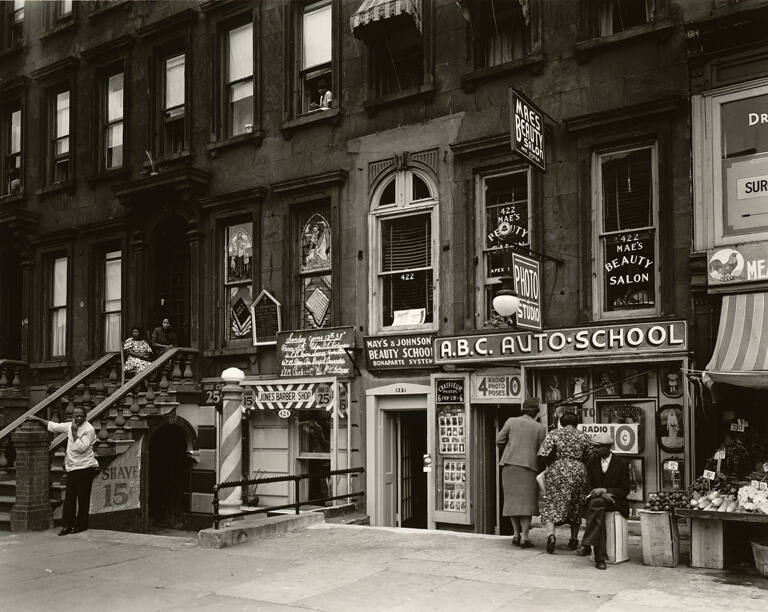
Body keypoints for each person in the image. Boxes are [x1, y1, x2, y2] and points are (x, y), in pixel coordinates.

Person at [27, 407, 99, 535]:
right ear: (73, 416)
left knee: (83, 499)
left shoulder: (89, 430)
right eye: (77, 416)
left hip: (85, 468)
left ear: (85, 416)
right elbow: (54, 426)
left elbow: (81, 448)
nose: (79, 419)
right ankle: (67, 525)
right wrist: (37, 419)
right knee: (69, 498)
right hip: (72, 468)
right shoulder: (70, 426)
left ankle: (81, 525)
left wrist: (75, 432)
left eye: (81, 416)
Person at [537, 411, 593, 554]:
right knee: (576, 504)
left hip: (558, 470)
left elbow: (542, 454)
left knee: (553, 502)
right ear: (577, 423)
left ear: (561, 422)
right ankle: (574, 539)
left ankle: (551, 535)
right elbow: (591, 456)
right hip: (578, 471)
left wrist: (553, 463)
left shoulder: (554, 434)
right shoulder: (583, 436)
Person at [496, 397, 546, 548]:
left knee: (512, 502)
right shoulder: (540, 428)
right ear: (536, 412)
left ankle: (515, 534)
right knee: (527, 503)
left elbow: (499, 440)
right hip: (529, 467)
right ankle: (525, 537)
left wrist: (510, 450)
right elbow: (542, 450)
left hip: (509, 465)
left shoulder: (511, 421)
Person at [576, 432, 630, 570]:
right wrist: (597, 493)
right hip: (596, 501)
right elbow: (587, 485)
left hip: (615, 501)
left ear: (607, 447)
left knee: (596, 506)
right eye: (594, 447)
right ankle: (600, 558)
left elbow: (625, 490)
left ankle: (587, 543)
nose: (594, 450)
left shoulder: (621, 463)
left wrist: (606, 491)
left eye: (597, 447)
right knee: (597, 506)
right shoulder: (592, 462)